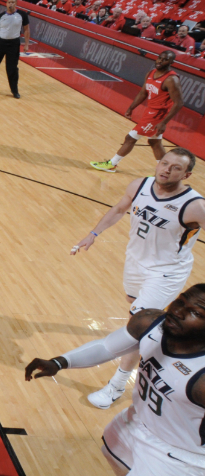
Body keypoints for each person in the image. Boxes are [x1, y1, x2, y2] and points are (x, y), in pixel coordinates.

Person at [72, 147, 205, 409]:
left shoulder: (195, 206)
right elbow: (120, 208)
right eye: (164, 163)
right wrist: (93, 234)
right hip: (135, 262)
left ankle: (117, 385)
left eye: (175, 167)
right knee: (132, 307)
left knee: (138, 324)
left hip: (166, 271)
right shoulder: (139, 185)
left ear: (186, 174)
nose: (166, 169)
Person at [25, 285, 205, 475]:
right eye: (180, 301)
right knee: (114, 461)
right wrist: (60, 362)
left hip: (181, 456)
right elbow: (107, 347)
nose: (177, 312)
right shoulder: (150, 322)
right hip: (136, 421)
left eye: (195, 312)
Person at [92, 51, 183, 172]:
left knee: (130, 138)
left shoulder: (171, 79)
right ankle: (164, 172)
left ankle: (112, 164)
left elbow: (179, 103)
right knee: (154, 142)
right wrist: (131, 107)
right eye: (159, 58)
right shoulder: (151, 73)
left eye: (165, 59)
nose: (160, 61)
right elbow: (143, 93)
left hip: (158, 115)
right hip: (150, 111)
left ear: (171, 62)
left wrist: (164, 122)